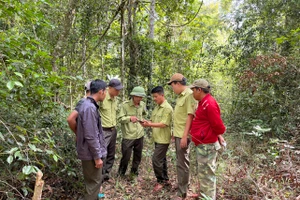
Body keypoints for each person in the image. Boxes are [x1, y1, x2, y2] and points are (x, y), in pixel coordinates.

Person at [188, 79, 226, 200]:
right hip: (202, 144)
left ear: (199, 90)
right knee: (203, 173)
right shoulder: (202, 102)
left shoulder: (209, 103)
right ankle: (204, 195)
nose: (192, 93)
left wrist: (219, 135)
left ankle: (208, 197)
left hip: (208, 145)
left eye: (193, 90)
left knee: (208, 175)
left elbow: (218, 125)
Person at [76, 79, 107, 200]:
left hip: (90, 152)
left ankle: (100, 197)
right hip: (91, 154)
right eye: (105, 92)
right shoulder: (89, 108)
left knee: (95, 183)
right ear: (101, 92)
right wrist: (97, 157)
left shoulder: (88, 105)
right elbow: (91, 135)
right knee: (93, 184)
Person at [167, 73, 197, 199]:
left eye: (172, 85)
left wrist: (185, 136)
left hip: (184, 135)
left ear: (178, 84)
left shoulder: (189, 95)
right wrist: (175, 132)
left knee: (183, 163)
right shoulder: (180, 96)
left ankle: (183, 192)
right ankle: (182, 185)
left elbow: (190, 116)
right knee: (180, 162)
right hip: (179, 133)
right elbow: (180, 117)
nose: (172, 88)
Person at [142, 86, 173, 192]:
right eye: (153, 97)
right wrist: (146, 121)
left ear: (162, 95)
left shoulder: (167, 108)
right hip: (157, 138)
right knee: (162, 159)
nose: (154, 99)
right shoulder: (157, 107)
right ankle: (165, 180)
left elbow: (164, 124)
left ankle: (160, 181)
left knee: (156, 159)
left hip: (163, 139)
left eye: (156, 96)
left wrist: (150, 124)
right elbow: (153, 120)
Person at [117, 86, 147, 177]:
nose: (140, 99)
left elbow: (144, 114)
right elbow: (120, 119)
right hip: (128, 135)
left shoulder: (142, 104)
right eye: (138, 97)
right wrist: (130, 118)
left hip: (140, 134)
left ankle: (134, 173)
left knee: (137, 156)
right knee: (126, 156)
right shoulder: (125, 105)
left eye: (141, 97)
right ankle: (121, 174)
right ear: (133, 96)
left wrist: (143, 120)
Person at [99, 79, 123, 182]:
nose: (118, 92)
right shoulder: (102, 98)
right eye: (116, 90)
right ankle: (100, 176)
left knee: (111, 154)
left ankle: (107, 174)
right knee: (102, 154)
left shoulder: (115, 99)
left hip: (113, 129)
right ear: (110, 88)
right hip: (104, 130)